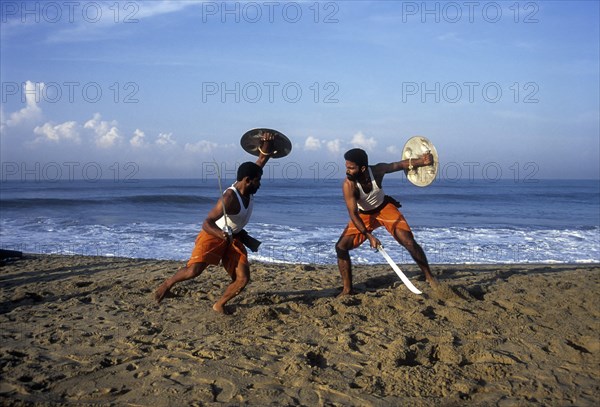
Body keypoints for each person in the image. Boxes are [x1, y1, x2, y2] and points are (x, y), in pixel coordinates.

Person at [155, 134, 274, 314]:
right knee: (194, 271)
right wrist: (221, 235)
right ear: (247, 180)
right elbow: (207, 222)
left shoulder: (248, 185)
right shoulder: (230, 198)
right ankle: (167, 284)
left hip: (232, 238)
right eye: (258, 181)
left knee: (243, 278)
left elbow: (261, 160)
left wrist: (267, 142)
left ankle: (219, 304)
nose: (260, 185)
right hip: (213, 234)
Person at [335, 148, 438, 296]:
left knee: (408, 241)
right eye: (347, 167)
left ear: (363, 168)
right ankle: (347, 289)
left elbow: (397, 165)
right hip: (363, 215)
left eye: (351, 168)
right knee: (341, 247)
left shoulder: (377, 171)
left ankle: (429, 277)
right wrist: (369, 235)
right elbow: (353, 214)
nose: (347, 171)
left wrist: (422, 161)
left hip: (384, 208)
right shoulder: (348, 185)